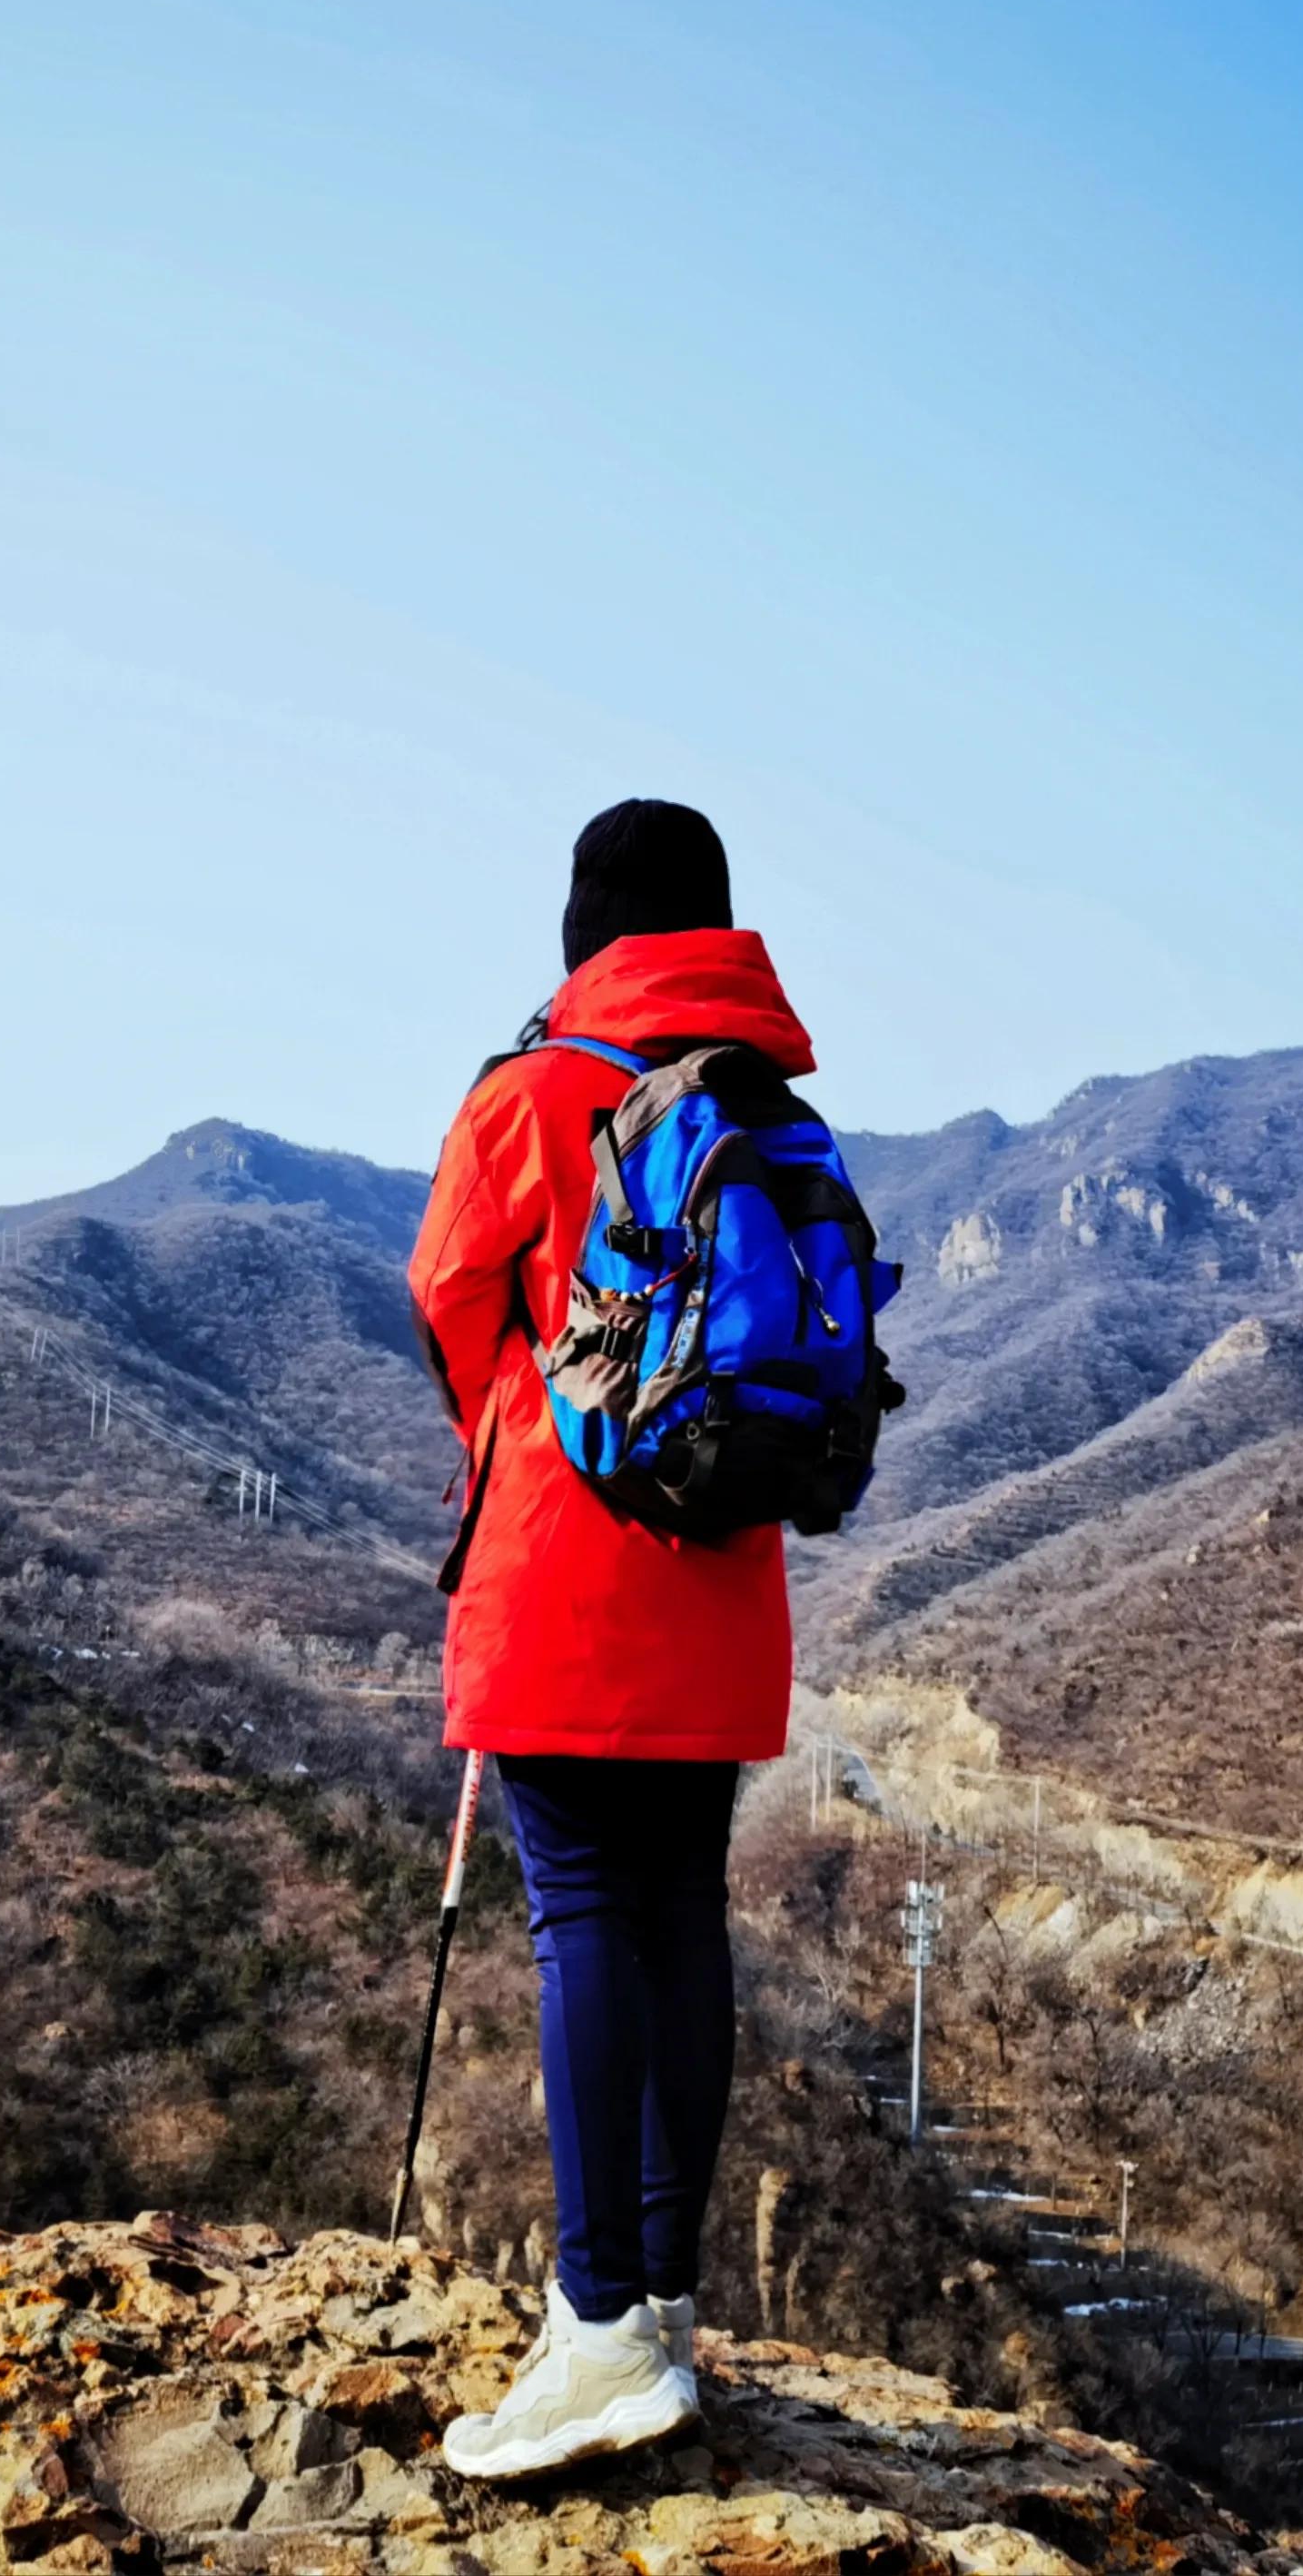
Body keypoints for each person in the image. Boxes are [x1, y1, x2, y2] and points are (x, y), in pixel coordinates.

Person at [407, 798, 810, 2481]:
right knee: (677, 1919)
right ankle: (662, 2308)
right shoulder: (769, 1109)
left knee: (579, 1915)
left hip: (565, 1578)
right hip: (723, 1578)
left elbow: (446, 1291)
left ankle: (593, 2333)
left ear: (584, 931)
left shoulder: (531, 1093)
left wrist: (515, 1432)